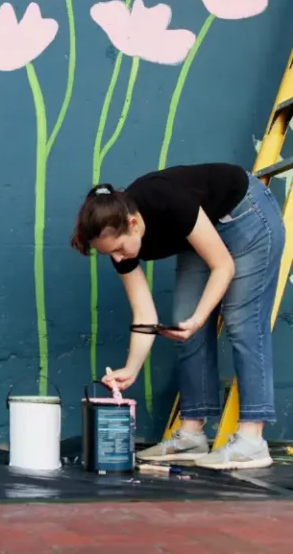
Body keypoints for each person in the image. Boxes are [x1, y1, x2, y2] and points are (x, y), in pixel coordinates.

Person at [70, 163, 284, 470]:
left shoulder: (166, 199)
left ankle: (252, 440)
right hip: (201, 228)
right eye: (109, 255)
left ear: (132, 223)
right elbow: (144, 312)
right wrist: (131, 368)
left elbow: (223, 266)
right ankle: (191, 435)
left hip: (245, 214)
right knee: (183, 318)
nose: (117, 259)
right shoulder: (122, 238)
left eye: (118, 249)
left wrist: (200, 318)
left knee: (242, 321)